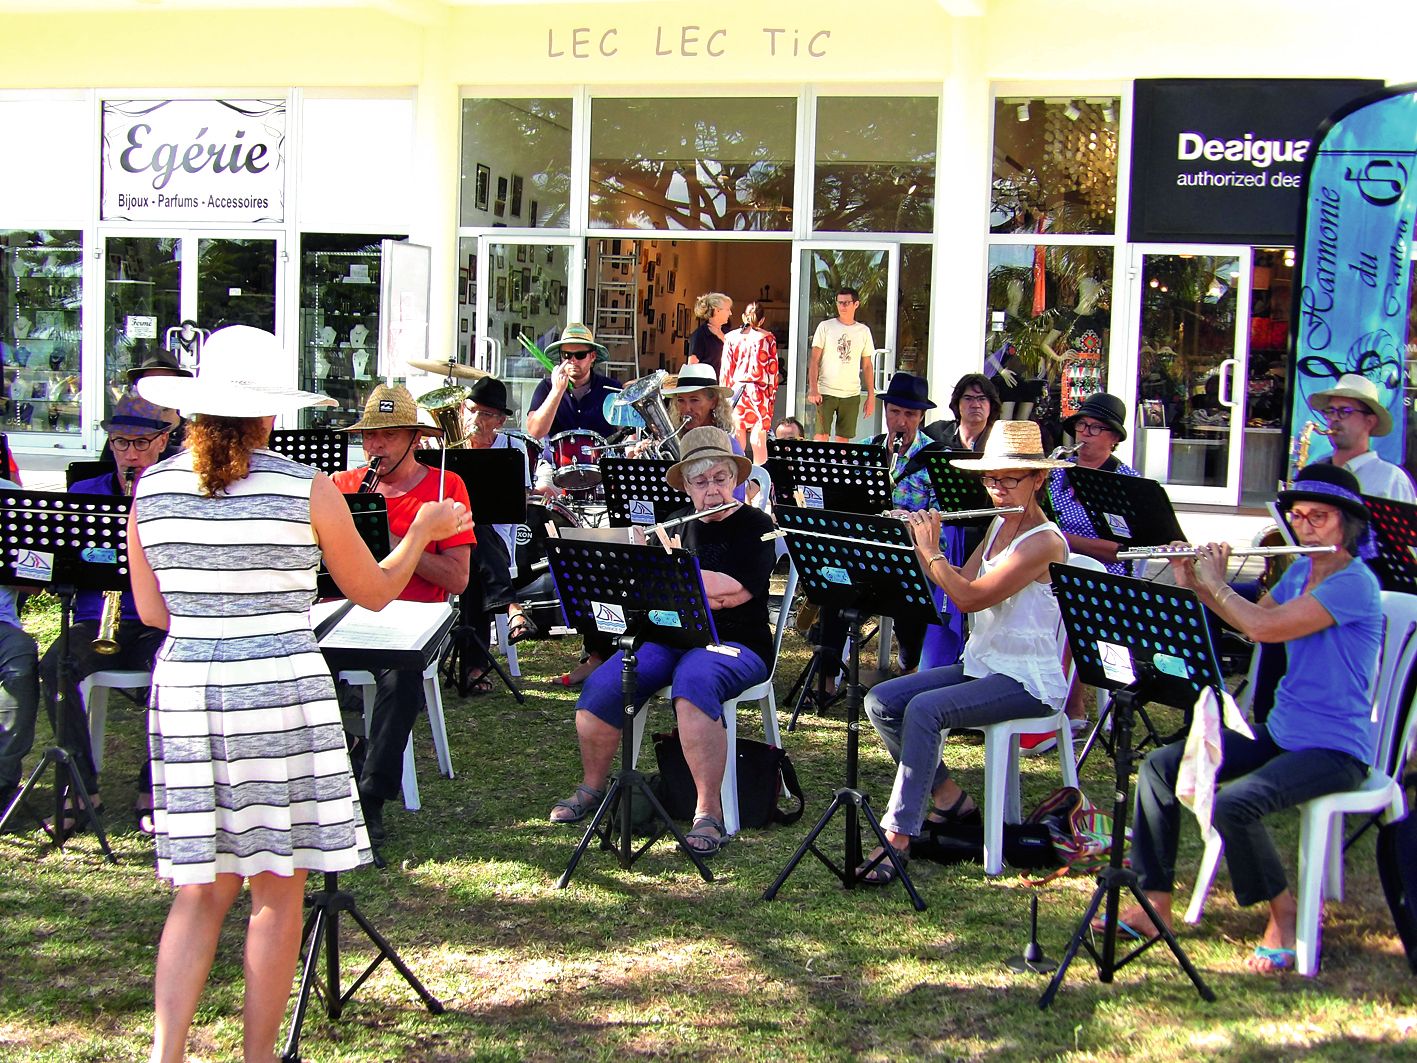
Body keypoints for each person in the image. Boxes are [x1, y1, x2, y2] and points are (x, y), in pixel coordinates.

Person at [130, 324, 466, 1063]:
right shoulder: (301, 485)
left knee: (200, 887)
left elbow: (153, 613)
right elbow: (374, 590)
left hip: (187, 686)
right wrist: (426, 530)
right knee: (277, 889)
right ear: (269, 411)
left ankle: (166, 1054)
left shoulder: (150, 485)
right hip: (277, 686)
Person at [1100, 464, 1380, 974]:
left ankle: (1286, 914)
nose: (1307, 527)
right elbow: (1246, 627)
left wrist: (1216, 583)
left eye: (1320, 517)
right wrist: (1197, 582)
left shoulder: (1354, 584)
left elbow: (1264, 627)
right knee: (1162, 767)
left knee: (1235, 804)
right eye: (1299, 517)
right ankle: (1153, 901)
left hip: (1336, 748)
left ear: (1348, 525)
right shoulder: (1301, 570)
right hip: (1283, 733)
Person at [860, 421, 1070, 885]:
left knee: (923, 710)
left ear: (1038, 479)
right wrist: (917, 544)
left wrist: (931, 551)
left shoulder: (1044, 541)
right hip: (983, 664)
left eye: (1009, 479)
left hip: (1027, 680)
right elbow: (959, 583)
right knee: (883, 702)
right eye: (991, 478)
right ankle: (951, 798)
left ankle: (898, 836)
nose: (996, 488)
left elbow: (973, 599)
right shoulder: (997, 524)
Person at [548, 427, 776, 856]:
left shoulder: (756, 525)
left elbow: (732, 592)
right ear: (687, 487)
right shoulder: (672, 525)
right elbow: (640, 590)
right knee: (604, 684)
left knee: (694, 681)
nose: (712, 491)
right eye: (701, 482)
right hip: (670, 635)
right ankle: (592, 788)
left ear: (735, 479)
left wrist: (670, 571)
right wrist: (638, 559)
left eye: (721, 479)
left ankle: (709, 813)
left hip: (736, 643)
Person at [331, 385, 474, 844]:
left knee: (400, 678)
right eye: (370, 437)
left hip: (414, 620)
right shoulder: (341, 487)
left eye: (388, 436)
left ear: (415, 439)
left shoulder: (446, 488)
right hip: (349, 613)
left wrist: (400, 543)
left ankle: (370, 798)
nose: (375, 447)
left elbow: (458, 580)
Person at [37, 393, 174, 832]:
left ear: (161, 443)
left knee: (173, 676)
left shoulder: (177, 495)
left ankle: (153, 787)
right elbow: (64, 560)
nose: (129, 454)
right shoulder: (84, 495)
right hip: (98, 619)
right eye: (119, 443)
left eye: (139, 443)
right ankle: (79, 784)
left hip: (159, 621)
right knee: (56, 665)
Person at [1019, 391, 1141, 750]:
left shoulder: (1127, 482)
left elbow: (1122, 551)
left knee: (1069, 612)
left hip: (1105, 578)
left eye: (1096, 429)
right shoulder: (1059, 474)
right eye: (1082, 426)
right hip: (1054, 566)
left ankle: (1073, 709)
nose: (1085, 436)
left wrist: (1058, 539)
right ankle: (1030, 699)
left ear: (1114, 438)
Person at [461, 375, 539, 650]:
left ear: (499, 420)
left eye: (485, 414)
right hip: (450, 538)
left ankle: (474, 667)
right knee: (471, 529)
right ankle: (511, 605)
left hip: (495, 541)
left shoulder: (512, 448)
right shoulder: (449, 445)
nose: (475, 419)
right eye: (470, 410)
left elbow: (521, 501)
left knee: (474, 532)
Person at [1309, 373, 1416, 503]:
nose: (1334, 418)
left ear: (1369, 422)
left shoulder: (1392, 479)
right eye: (1330, 411)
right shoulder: (1316, 472)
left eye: (1344, 411)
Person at [0, 471, 39, 817]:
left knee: (22, 660)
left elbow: (37, 582)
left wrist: (12, 564)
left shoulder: (11, 497)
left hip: (2, 625)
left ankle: (3, 782)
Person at [525, 323, 620, 441]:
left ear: (593, 356)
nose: (572, 361)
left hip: (601, 458)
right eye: (566, 355)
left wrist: (633, 448)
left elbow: (628, 432)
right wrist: (556, 391)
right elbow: (534, 432)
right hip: (556, 459)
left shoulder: (610, 389)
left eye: (580, 355)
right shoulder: (547, 387)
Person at [806, 287, 876, 442]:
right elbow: (814, 360)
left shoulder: (863, 331)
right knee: (821, 437)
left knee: (843, 441)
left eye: (846, 303)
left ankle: (838, 467)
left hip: (851, 393)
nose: (843, 306)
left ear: (856, 304)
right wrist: (813, 389)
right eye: (839, 303)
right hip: (826, 391)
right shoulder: (826, 327)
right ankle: (820, 467)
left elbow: (867, 366)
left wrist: (871, 395)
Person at [719, 302, 779, 464]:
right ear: (762, 320)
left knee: (737, 435)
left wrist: (725, 396)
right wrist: (771, 396)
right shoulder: (767, 338)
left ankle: (739, 478)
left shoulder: (731, 338)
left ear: (744, 317)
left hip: (737, 389)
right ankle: (760, 482)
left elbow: (726, 370)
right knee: (758, 437)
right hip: (759, 390)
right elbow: (773, 372)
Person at [938, 373, 1000, 454]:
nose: (975, 405)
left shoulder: (1001, 440)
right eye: (968, 398)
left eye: (982, 399)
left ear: (991, 404)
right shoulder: (936, 432)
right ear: (957, 402)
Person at [686, 292, 733, 376]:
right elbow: (692, 366)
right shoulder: (700, 335)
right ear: (717, 310)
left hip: (725, 385)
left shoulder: (728, 333)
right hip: (707, 386)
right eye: (727, 309)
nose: (730, 313)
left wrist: (720, 336)